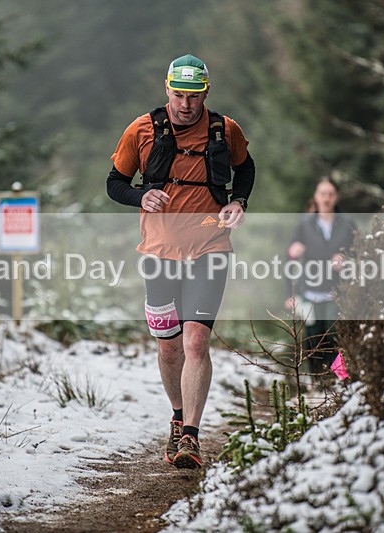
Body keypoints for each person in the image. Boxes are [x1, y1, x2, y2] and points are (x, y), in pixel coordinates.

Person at [106, 54, 255, 469]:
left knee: (195, 341)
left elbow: (246, 169)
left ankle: (190, 435)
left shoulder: (226, 129)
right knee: (169, 348)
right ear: (166, 89)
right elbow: (114, 183)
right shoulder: (141, 130)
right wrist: (141, 196)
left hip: (211, 246)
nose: (186, 103)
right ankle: (177, 415)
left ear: (206, 92)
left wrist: (239, 201)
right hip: (158, 253)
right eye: (178, 94)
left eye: (194, 95)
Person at [285, 174, 355, 377]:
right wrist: (293, 252)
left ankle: (339, 383)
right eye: (322, 193)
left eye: (330, 194)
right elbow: (288, 260)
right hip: (309, 293)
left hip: (338, 293)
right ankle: (316, 385)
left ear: (337, 197)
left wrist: (347, 260)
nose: (326, 198)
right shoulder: (305, 225)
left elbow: (361, 254)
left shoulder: (347, 224)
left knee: (337, 340)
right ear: (315, 196)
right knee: (312, 341)